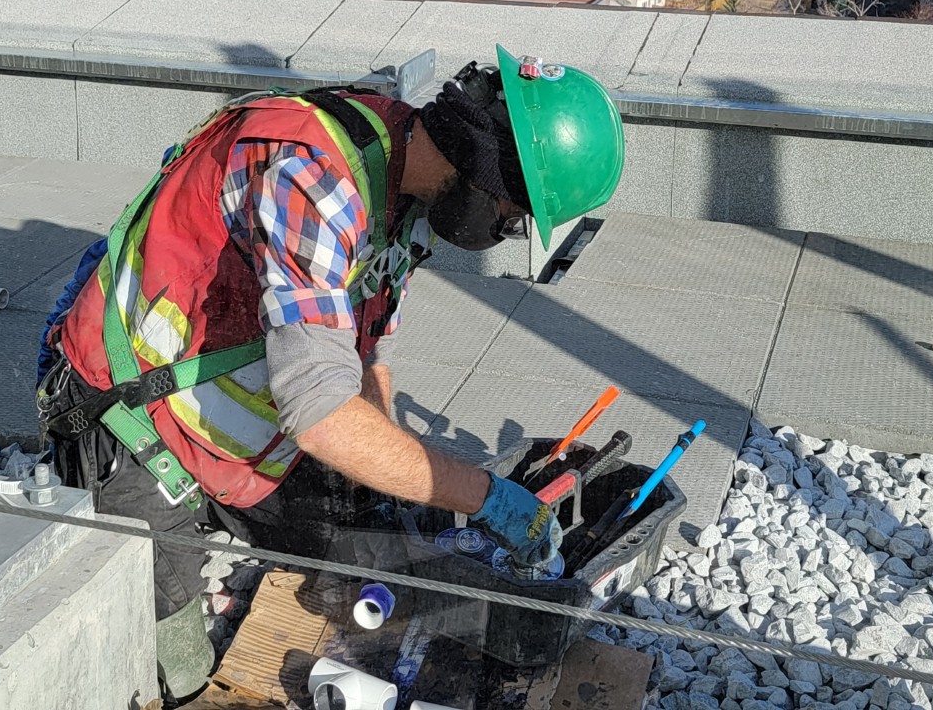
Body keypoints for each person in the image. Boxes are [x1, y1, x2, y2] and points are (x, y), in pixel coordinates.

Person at [37, 45, 625, 703]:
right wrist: (485, 495)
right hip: (136, 414)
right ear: (482, 169)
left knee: (367, 544)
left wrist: (387, 474)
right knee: (169, 663)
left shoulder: (408, 187)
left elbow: (365, 352)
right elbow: (319, 413)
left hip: (246, 410)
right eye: (513, 219)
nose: (506, 232)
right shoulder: (316, 179)